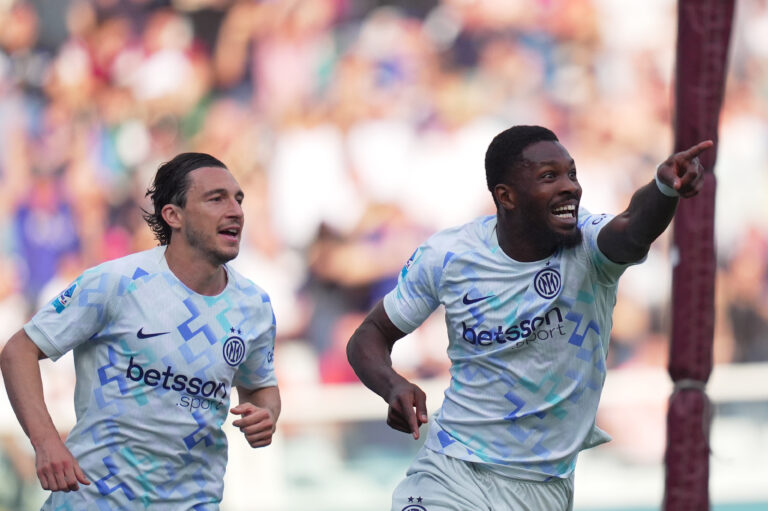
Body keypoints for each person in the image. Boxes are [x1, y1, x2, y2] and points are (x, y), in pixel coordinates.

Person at [346, 125, 712, 510]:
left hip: (543, 488)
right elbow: (368, 336)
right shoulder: (450, 256)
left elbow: (633, 227)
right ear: (507, 196)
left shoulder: (590, 246)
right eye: (549, 177)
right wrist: (392, 385)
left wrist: (664, 188)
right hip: (451, 470)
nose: (570, 186)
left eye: (572, 174)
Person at [0, 153, 280, 510]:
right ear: (173, 215)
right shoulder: (117, 283)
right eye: (216, 198)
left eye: (238, 199)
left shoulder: (253, 306)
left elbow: (260, 389)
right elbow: (18, 351)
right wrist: (46, 442)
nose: (236, 211)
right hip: (95, 501)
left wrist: (266, 414)